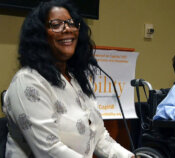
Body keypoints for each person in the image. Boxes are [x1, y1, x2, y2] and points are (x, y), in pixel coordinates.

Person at [2, 0, 135, 157]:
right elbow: (49, 150)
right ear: (39, 35)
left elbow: (99, 136)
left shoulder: (76, 79)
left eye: (71, 23)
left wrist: (130, 156)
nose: (67, 29)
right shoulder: (28, 82)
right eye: (56, 24)